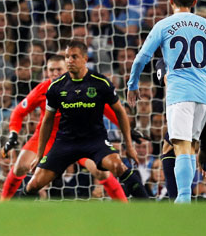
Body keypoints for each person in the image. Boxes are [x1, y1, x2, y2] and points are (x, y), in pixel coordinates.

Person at [127, 0, 206, 203]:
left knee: (181, 146)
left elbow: (141, 58)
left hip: (180, 94)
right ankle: (185, 197)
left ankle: (184, 199)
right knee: (192, 147)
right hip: (205, 95)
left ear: (171, 0)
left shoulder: (164, 25)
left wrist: (133, 85)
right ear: (195, 2)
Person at [0, 54, 134, 202]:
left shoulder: (84, 87)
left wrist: (128, 129)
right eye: (51, 70)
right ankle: (3, 204)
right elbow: (19, 112)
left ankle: (124, 206)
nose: (55, 73)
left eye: (59, 69)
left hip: (80, 137)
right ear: (46, 71)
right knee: (20, 166)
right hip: (48, 137)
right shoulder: (43, 89)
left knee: (101, 173)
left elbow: (109, 110)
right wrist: (13, 133)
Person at [23, 41, 148, 199]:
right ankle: (17, 212)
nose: (70, 60)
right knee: (34, 184)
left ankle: (147, 206)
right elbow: (47, 121)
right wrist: (40, 153)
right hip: (65, 142)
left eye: (74, 56)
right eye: (67, 57)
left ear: (85, 59)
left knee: (118, 166)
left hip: (94, 141)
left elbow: (120, 112)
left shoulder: (100, 83)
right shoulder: (56, 87)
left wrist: (129, 146)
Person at [155, 58, 206, 201]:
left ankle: (176, 200)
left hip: (197, 104)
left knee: (169, 148)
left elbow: (169, 81)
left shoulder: (168, 58)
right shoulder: (204, 58)